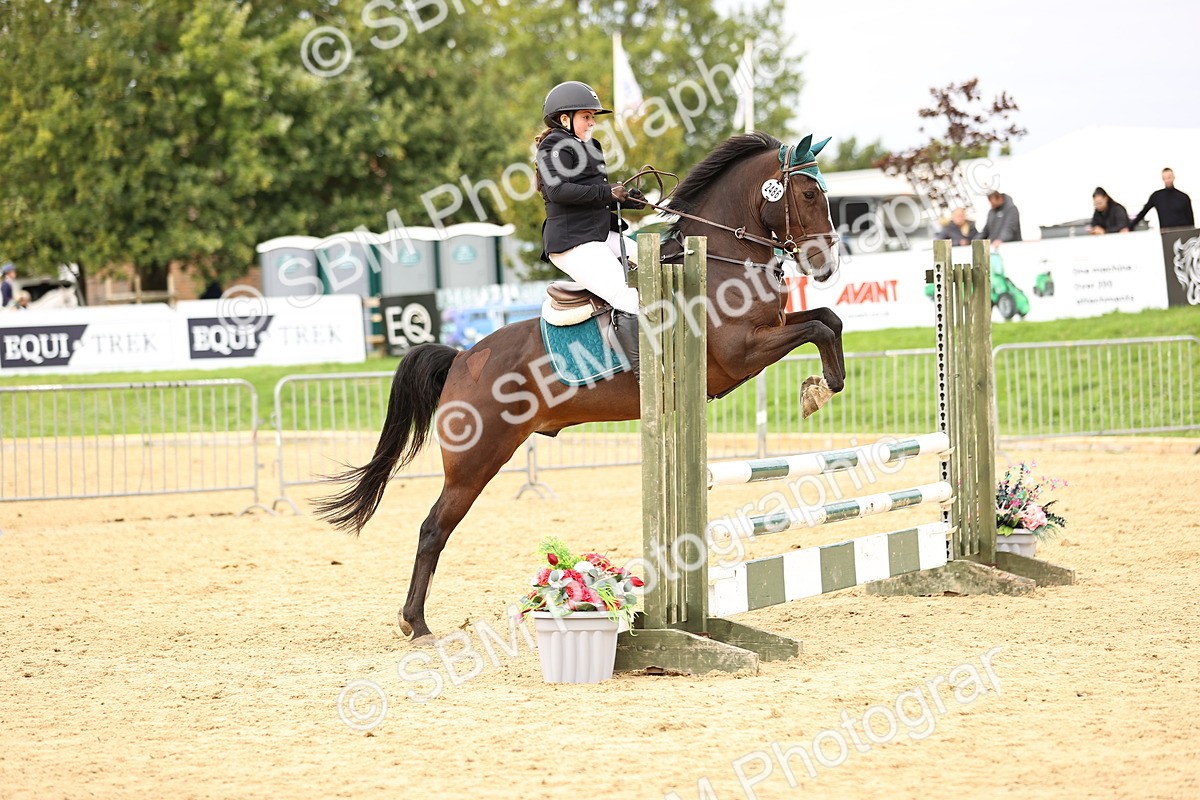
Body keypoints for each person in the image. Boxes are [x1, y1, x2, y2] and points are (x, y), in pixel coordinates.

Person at [536, 80, 644, 376]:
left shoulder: (592, 147)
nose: (592, 122)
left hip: (597, 234)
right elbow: (558, 192)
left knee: (654, 263)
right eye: (586, 116)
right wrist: (608, 193)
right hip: (572, 242)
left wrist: (627, 200)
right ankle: (644, 375)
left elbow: (595, 194)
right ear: (564, 119)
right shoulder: (553, 146)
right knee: (628, 296)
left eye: (592, 117)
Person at [1129, 168, 1195, 231]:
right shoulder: (1156, 196)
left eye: (1169, 177)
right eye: (1165, 178)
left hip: (1184, 233)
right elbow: (1143, 212)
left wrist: (1192, 233)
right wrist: (1129, 227)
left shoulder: (1183, 197)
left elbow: (1190, 219)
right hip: (1166, 234)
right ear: (1162, 179)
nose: (1167, 180)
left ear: (1173, 177)